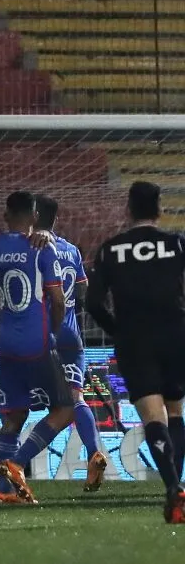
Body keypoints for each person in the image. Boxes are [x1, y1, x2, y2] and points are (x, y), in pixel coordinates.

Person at [85, 181, 185, 523]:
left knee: (152, 416)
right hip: (175, 335)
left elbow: (93, 303)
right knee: (175, 410)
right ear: (160, 209)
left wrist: (119, 332)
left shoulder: (111, 249)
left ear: (128, 209)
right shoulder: (176, 244)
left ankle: (173, 487)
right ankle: (177, 486)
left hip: (135, 340)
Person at [0, 191, 75, 505]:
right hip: (36, 343)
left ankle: (3, 490)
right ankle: (17, 463)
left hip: (5, 344)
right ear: (35, 216)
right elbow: (57, 300)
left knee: (14, 417)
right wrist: (54, 332)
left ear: (6, 215)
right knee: (66, 409)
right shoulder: (44, 249)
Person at [33, 195, 108, 491]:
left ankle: (12, 464)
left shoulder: (30, 249)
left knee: (24, 408)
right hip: (71, 334)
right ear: (56, 218)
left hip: (43, 335)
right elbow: (84, 289)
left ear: (33, 215)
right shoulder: (72, 250)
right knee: (76, 400)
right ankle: (94, 453)